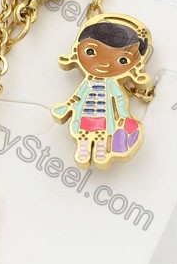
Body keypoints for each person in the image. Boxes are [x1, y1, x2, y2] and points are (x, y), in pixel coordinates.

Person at [52, 14, 154, 169]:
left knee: (102, 135)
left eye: (122, 60)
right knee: (83, 134)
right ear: (76, 50)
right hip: (84, 115)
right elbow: (77, 97)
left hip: (105, 118)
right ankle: (83, 151)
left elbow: (119, 100)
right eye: (91, 51)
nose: (105, 64)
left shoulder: (113, 86)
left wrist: (122, 115)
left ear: (136, 65)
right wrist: (66, 107)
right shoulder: (87, 83)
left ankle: (102, 152)